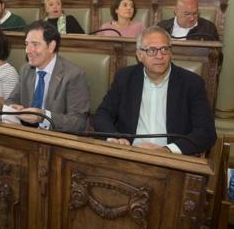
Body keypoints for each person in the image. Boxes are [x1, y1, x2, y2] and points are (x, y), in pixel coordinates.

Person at [93, 26, 217, 155]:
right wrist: (114, 138)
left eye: (164, 49)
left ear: (171, 53)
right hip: (130, 154)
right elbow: (103, 114)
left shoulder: (191, 83)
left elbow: (206, 132)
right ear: (139, 55)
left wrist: (168, 150)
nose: (159, 56)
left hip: (172, 159)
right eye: (152, 50)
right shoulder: (125, 78)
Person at [4, 20, 90, 133]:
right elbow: (10, 101)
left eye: (35, 44)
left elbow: (78, 122)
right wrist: (14, 108)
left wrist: (43, 117)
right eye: (26, 44)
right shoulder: (26, 70)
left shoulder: (74, 75)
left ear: (51, 46)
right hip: (26, 134)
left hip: (57, 139)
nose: (28, 51)